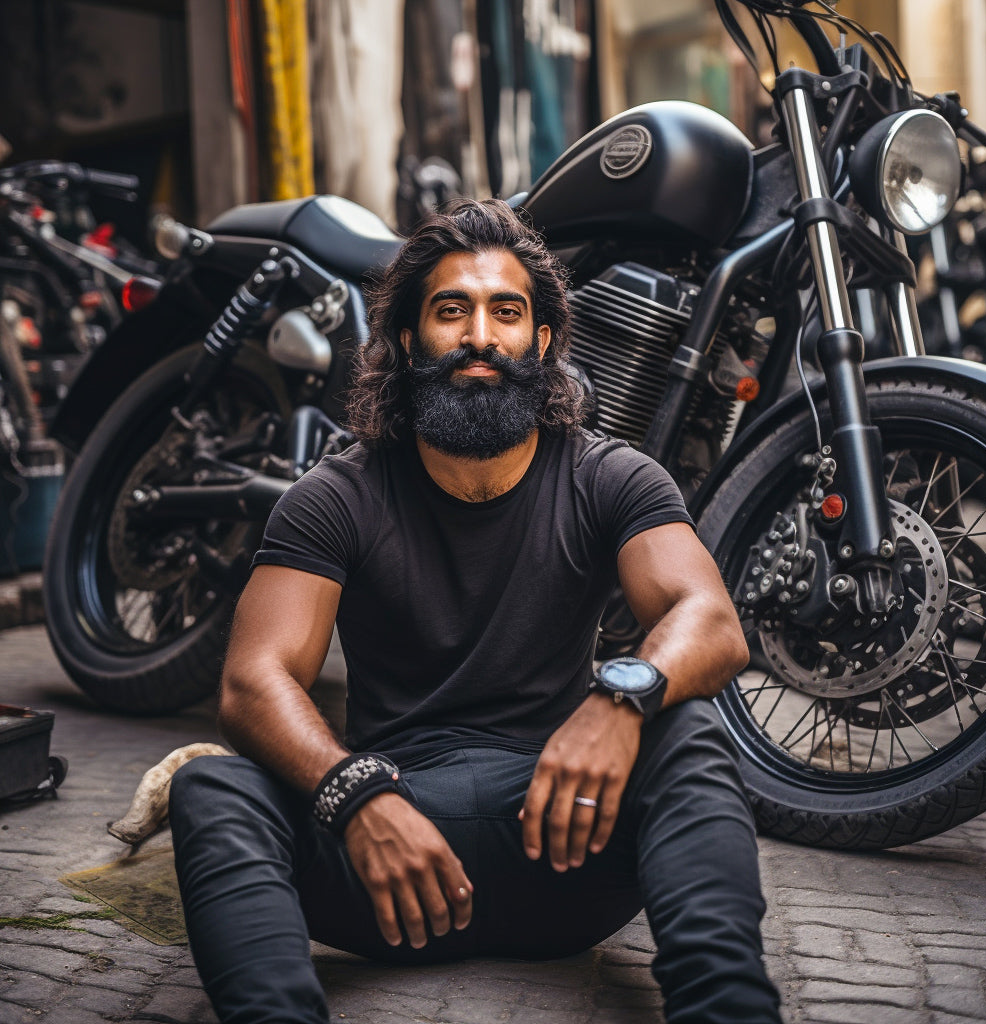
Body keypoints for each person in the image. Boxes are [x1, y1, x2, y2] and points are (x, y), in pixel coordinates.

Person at [169, 198, 781, 1024]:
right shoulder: (336, 497)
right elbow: (253, 680)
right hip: (392, 862)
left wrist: (620, 698)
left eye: (507, 311)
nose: (481, 336)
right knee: (212, 788)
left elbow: (708, 618)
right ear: (409, 341)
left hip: (566, 843)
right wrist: (354, 792)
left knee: (688, 730)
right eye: (451, 310)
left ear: (544, 342)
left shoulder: (612, 477)